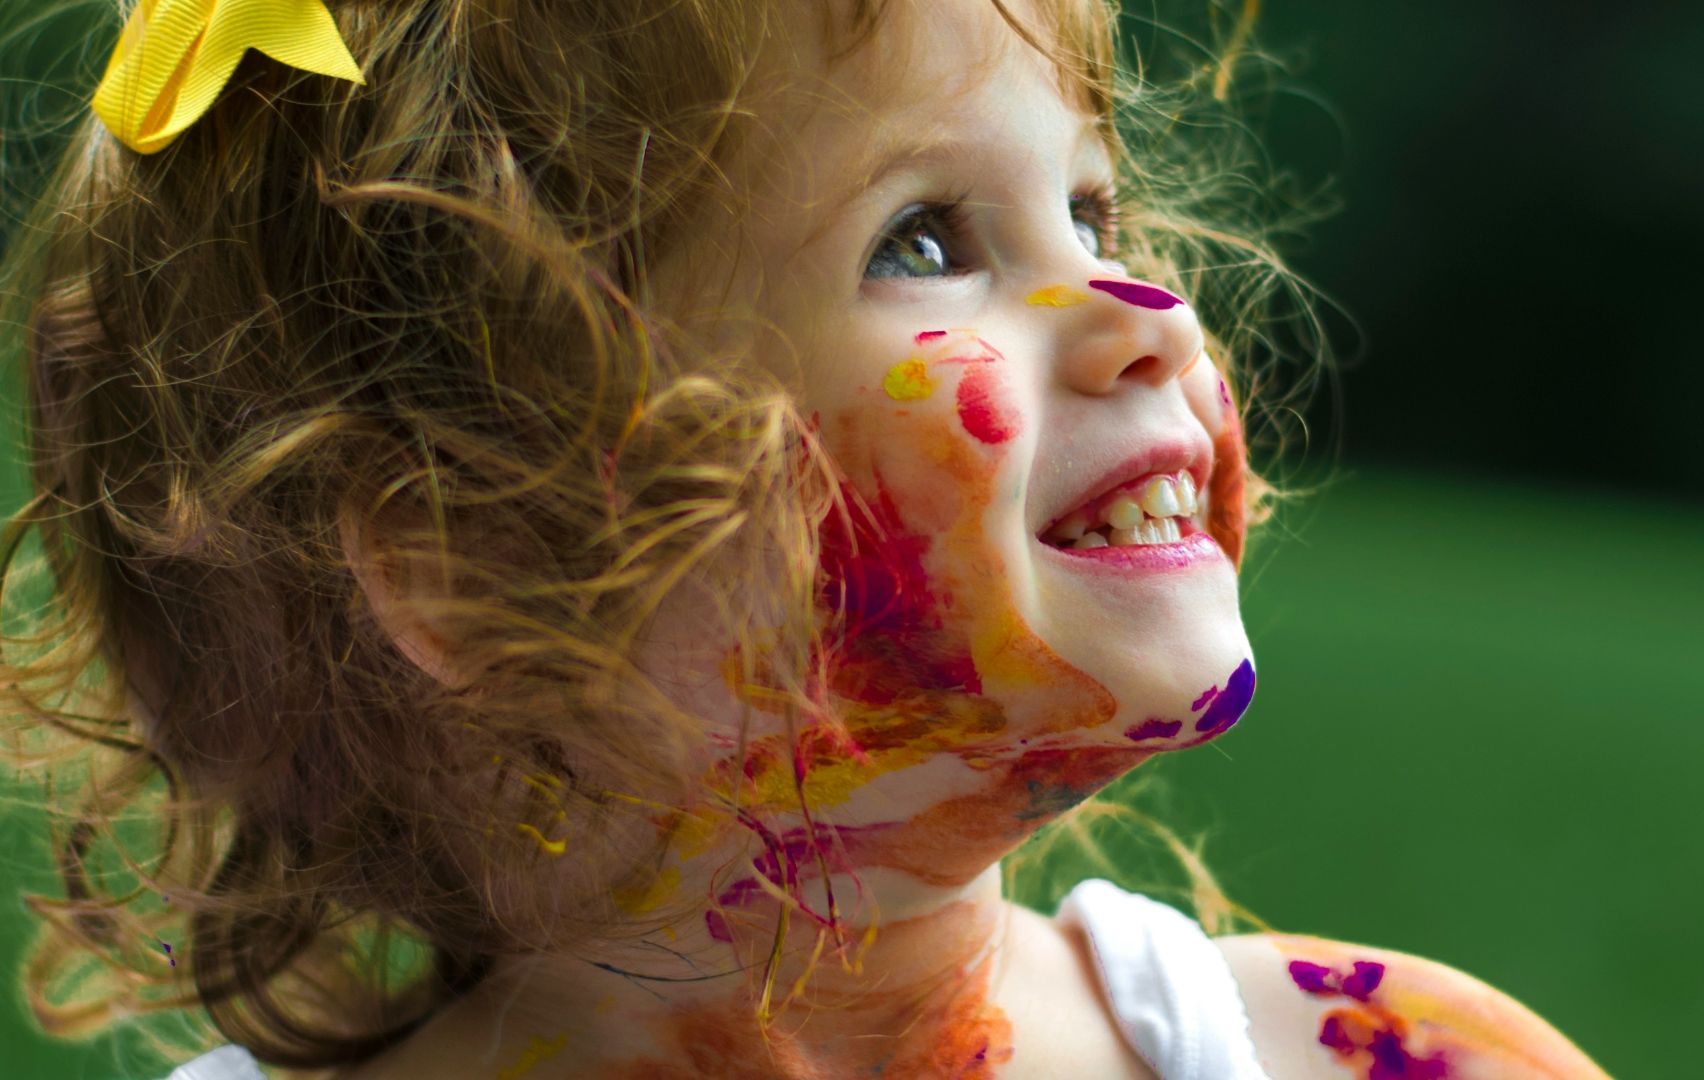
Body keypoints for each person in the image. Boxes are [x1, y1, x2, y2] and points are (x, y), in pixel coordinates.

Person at [0, 0, 1615, 1077]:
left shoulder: (1377, 1060)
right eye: (923, 241)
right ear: (474, 562)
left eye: (1093, 213)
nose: (1148, 315)